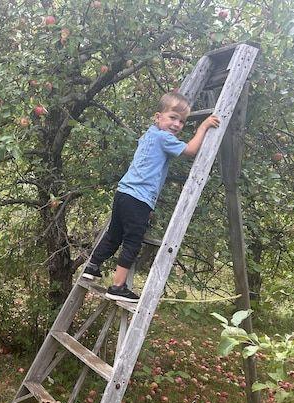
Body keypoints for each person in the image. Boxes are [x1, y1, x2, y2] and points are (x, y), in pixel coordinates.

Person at [82, 92, 220, 302]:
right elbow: (191, 150)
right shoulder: (164, 138)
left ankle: (92, 266)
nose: (177, 124)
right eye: (173, 117)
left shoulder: (149, 134)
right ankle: (117, 286)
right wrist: (203, 126)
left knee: (113, 234)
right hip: (139, 198)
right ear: (158, 117)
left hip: (123, 194)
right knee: (132, 241)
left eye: (182, 121)